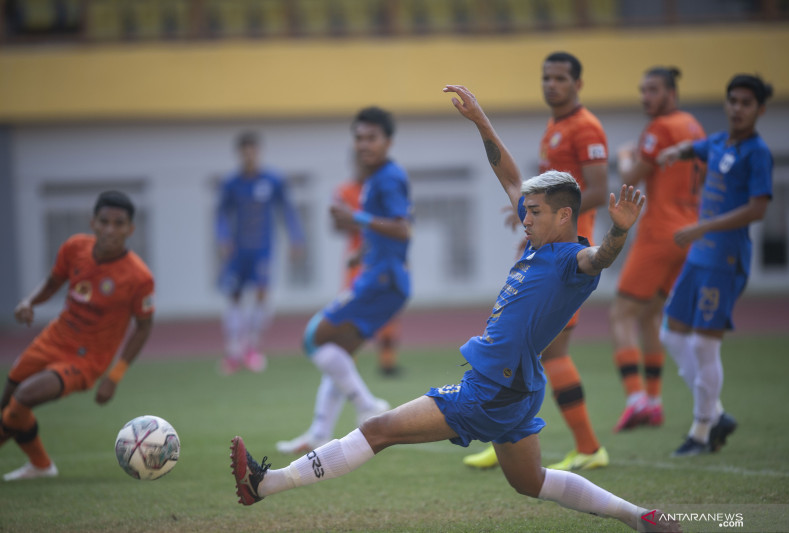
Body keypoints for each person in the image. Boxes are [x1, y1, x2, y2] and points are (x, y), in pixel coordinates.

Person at [230, 86, 680, 533]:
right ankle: (639, 518)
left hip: (492, 389)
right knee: (532, 481)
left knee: (378, 429)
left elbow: (600, 257)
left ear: (564, 217)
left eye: (536, 212)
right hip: (516, 388)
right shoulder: (539, 243)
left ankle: (265, 484)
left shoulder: (571, 259)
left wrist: (619, 232)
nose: (524, 217)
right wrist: (480, 120)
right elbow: (508, 177)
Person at [464, 51, 609, 471]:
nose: (551, 85)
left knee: (552, 351)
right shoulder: (555, 127)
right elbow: (515, 180)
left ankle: (587, 446)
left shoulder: (585, 127)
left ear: (577, 83)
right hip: (544, 249)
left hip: (565, 257)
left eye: (560, 78)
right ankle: (507, 435)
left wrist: (548, 219)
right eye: (546, 77)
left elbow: (595, 189)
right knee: (530, 349)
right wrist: (532, 216)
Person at [275, 106, 412, 455]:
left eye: (372, 138)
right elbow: (383, 227)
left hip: (382, 280)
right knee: (339, 355)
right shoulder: (375, 178)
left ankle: (367, 405)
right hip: (383, 276)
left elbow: (402, 227)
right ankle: (320, 433)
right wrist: (363, 249)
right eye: (359, 138)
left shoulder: (388, 178)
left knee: (314, 338)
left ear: (388, 141)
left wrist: (357, 218)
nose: (364, 144)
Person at [656, 74, 773, 457]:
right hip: (699, 255)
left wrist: (704, 225)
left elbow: (758, 208)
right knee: (671, 334)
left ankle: (701, 432)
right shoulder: (721, 142)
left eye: (746, 103)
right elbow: (699, 148)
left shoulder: (758, 152)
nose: (737, 108)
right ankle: (718, 412)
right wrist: (677, 151)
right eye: (733, 101)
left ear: (760, 109)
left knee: (705, 345)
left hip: (724, 259)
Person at [1, 191, 155, 481]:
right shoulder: (74, 248)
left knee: (23, 398)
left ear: (130, 229)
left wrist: (114, 376)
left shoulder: (139, 276)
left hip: (87, 360)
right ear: (93, 222)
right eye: (104, 221)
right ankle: (42, 466)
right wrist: (29, 302)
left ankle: (41, 466)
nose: (110, 229)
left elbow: (144, 327)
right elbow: (52, 281)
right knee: (7, 402)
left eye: (118, 223)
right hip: (52, 339)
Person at [610, 67, 706, 432]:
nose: (644, 97)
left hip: (659, 233)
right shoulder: (693, 126)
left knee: (620, 315)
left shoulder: (660, 129)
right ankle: (654, 401)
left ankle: (636, 399)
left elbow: (630, 177)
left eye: (652, 90)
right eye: (642, 90)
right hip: (687, 232)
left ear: (671, 92)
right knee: (650, 315)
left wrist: (623, 156)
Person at [215, 131, 305, 375]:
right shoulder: (232, 183)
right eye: (244, 151)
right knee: (234, 296)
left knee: (262, 296)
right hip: (238, 250)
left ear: (258, 151)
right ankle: (233, 351)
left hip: (263, 250)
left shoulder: (273, 180)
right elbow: (222, 214)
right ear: (239, 153)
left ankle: (252, 348)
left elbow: (287, 209)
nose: (249, 155)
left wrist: (296, 237)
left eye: (252, 150)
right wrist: (223, 238)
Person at [334, 161, 402, 377]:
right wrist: (367, 222)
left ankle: (387, 364)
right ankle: (346, 363)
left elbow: (396, 223)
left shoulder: (383, 188)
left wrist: (363, 220)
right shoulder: (344, 191)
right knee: (352, 311)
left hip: (382, 258)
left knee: (388, 310)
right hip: (357, 260)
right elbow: (336, 223)